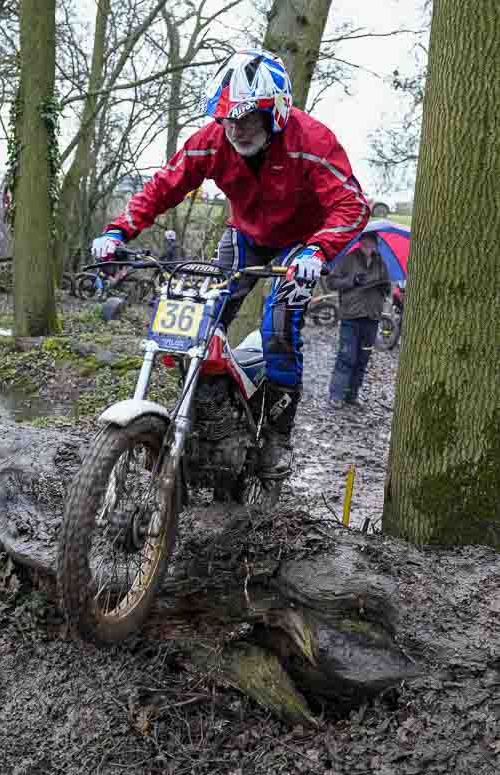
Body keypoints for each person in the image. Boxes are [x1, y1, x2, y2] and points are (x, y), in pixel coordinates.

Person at [91, 47, 369, 475]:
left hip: (301, 244)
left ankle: (277, 438)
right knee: (199, 315)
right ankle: (204, 409)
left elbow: (351, 205)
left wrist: (319, 250)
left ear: (275, 113)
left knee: (279, 325)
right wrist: (118, 230)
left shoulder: (313, 142)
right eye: (226, 119)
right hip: (245, 235)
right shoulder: (212, 140)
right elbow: (165, 184)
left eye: (246, 118)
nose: (236, 130)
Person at [326, 232, 391, 409]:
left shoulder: (380, 263)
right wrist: (352, 281)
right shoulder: (349, 259)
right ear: (360, 242)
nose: (368, 247)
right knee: (346, 355)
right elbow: (331, 282)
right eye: (365, 243)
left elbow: (387, 287)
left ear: (376, 245)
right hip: (351, 316)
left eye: (371, 244)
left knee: (363, 358)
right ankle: (336, 395)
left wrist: (385, 288)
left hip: (372, 317)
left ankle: (352, 395)